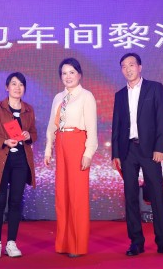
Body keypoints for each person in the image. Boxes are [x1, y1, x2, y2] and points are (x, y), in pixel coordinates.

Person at [111, 53, 163, 257]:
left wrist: (160, 147)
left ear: (140, 67)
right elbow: (117, 126)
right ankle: (136, 242)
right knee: (130, 196)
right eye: (124, 66)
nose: (128, 69)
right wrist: (116, 153)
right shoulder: (119, 95)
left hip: (150, 150)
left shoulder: (154, 88)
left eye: (131, 65)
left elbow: (162, 119)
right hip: (127, 151)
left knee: (157, 195)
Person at [44, 57, 98, 258]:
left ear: (79, 74)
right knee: (62, 195)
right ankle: (63, 243)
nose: (68, 77)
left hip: (77, 143)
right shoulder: (58, 97)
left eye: (71, 72)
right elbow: (52, 125)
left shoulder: (86, 96)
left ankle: (77, 245)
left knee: (77, 196)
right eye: (64, 73)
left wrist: (88, 153)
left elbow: (92, 128)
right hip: (61, 144)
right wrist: (48, 149)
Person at [0, 72, 37, 259]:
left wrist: (28, 136)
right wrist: (4, 141)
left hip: (21, 161)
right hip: (1, 161)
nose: (17, 87)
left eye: (21, 84)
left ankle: (11, 243)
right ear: (7, 87)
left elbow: (34, 134)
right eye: (14, 84)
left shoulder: (28, 110)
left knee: (15, 202)